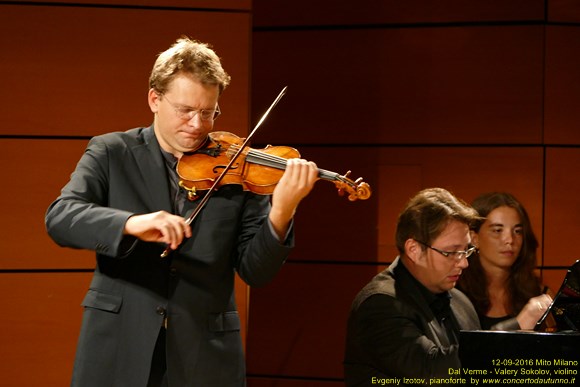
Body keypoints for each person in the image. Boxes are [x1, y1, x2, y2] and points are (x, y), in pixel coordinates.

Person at [45, 37, 319, 387]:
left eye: (208, 112)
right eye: (185, 110)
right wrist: (131, 223)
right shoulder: (112, 152)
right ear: (155, 99)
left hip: (205, 355)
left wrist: (282, 211)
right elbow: (61, 217)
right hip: (118, 345)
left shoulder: (238, 166)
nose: (197, 124)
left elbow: (256, 271)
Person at [344, 187, 481, 386]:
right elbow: (432, 371)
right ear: (414, 250)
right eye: (451, 252)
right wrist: (516, 327)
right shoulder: (380, 305)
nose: (464, 263)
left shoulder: (461, 302)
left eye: (466, 250)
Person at [456, 192, 552, 330]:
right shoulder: (454, 295)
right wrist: (520, 322)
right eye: (497, 230)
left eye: (517, 231)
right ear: (474, 238)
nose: (510, 240)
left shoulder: (541, 294)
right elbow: (465, 350)